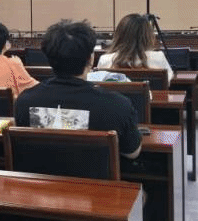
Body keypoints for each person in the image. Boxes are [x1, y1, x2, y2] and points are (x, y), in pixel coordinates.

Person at [16, 20, 142, 159]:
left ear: (48, 58)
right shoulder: (118, 105)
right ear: (91, 58)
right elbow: (132, 153)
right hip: (94, 173)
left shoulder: (24, 101)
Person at [97, 13, 174, 83]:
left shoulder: (105, 60)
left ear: (119, 35)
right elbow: (168, 82)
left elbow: (98, 86)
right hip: (150, 94)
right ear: (147, 36)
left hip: (114, 95)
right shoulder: (159, 57)